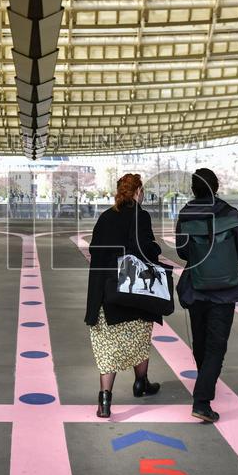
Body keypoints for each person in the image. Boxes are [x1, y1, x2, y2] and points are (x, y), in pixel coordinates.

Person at [84, 173, 163, 419]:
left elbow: (94, 249)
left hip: (106, 292)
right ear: (138, 192)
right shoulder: (141, 216)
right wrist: (155, 248)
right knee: (140, 337)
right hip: (135, 291)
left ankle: (105, 400)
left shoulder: (106, 217)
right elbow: (146, 250)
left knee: (108, 348)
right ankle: (141, 383)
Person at [174, 168, 238, 423]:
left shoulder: (185, 214)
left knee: (201, 341)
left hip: (197, 287)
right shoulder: (232, 214)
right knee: (217, 345)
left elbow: (182, 251)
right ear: (216, 187)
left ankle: (203, 386)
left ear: (193, 189)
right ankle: (202, 401)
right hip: (225, 290)